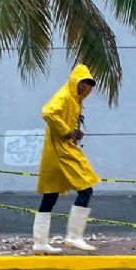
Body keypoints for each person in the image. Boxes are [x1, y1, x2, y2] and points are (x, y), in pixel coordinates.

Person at [31, 64, 101, 254]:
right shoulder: (64, 96)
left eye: (87, 84)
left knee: (50, 195)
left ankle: (40, 242)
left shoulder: (75, 100)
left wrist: (73, 132)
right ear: (74, 81)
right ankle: (74, 237)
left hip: (56, 152)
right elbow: (47, 112)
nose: (84, 87)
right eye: (82, 83)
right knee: (86, 188)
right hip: (62, 152)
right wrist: (68, 132)